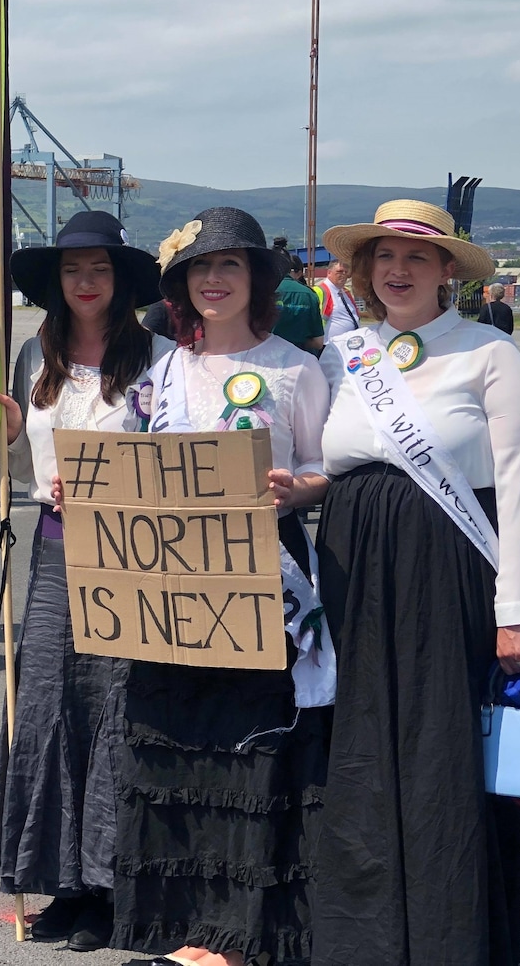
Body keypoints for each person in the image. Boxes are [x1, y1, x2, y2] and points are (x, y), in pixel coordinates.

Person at [314, 200, 520, 966]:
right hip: (353, 563)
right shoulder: (348, 353)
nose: (398, 270)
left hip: (448, 564)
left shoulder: (488, 354)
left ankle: (450, 935)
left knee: (441, 745)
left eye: (417, 258)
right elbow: (337, 459)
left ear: (448, 271)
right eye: (384, 257)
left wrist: (516, 613)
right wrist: (301, 488)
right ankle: (365, 932)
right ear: (366, 271)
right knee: (360, 741)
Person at [111, 207, 332, 966]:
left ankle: (243, 936)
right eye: (199, 269)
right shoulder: (162, 370)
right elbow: (131, 466)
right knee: (180, 750)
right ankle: (189, 927)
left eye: (229, 266)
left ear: (257, 281)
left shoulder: (297, 369)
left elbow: (326, 471)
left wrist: (295, 490)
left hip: (260, 580)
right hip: (171, 586)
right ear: (181, 286)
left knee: (249, 752)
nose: (213, 280)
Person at [0, 212, 173, 953]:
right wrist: (1, 433)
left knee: (112, 709)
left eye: (98, 269)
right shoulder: (34, 354)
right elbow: (19, 460)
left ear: (121, 280)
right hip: (56, 550)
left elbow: (171, 458)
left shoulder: (159, 358)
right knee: (48, 705)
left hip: (131, 555)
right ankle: (60, 880)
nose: (85, 282)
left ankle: (108, 885)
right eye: (72, 270)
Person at [270, 237, 324, 354]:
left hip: (268, 359)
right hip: (303, 360)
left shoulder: (261, 291)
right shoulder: (309, 294)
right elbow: (318, 342)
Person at [313, 256, 359, 340]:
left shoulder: (346, 292)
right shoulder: (318, 291)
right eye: (340, 271)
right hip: (327, 345)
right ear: (329, 273)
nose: (344, 275)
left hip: (349, 344)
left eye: (346, 272)